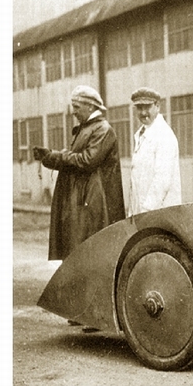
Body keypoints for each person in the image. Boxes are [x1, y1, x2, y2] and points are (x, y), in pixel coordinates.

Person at [33, 85, 125, 260]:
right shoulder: (87, 128)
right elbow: (77, 159)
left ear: (90, 106)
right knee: (79, 254)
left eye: (76, 107)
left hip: (93, 204)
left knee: (88, 254)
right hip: (84, 202)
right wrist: (51, 157)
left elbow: (87, 161)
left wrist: (57, 156)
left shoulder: (102, 129)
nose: (73, 112)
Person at [127, 87, 182, 216]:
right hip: (143, 214)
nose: (143, 112)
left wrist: (146, 211)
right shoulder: (142, 134)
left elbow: (162, 180)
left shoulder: (164, 135)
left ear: (157, 106)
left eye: (147, 107)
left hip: (157, 213)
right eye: (139, 108)